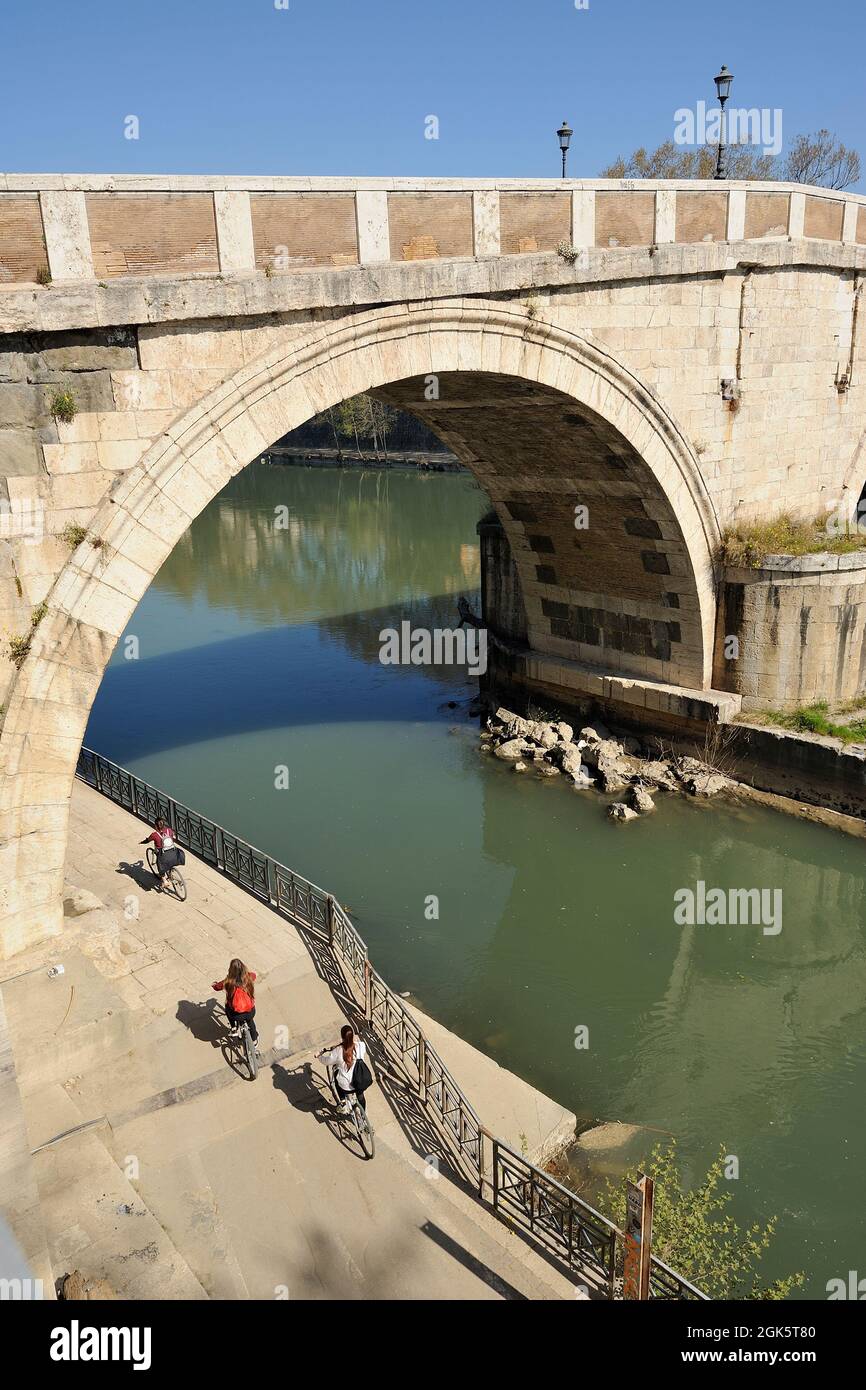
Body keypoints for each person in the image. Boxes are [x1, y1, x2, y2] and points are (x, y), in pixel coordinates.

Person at [317, 1024, 372, 1113]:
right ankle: (363, 1117)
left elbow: (326, 1061)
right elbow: (360, 1046)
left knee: (336, 1075)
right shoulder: (361, 1046)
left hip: (346, 1086)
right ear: (353, 1036)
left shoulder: (338, 1051)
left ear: (342, 1037)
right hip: (361, 1081)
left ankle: (343, 1102)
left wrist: (319, 1056)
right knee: (360, 1096)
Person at [212, 959, 259, 1050]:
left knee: (227, 1006)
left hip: (235, 1016)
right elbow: (254, 975)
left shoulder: (228, 981)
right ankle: (254, 1040)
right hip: (250, 1012)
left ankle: (233, 1028)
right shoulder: (249, 977)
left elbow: (217, 987)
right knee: (250, 1022)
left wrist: (214, 985)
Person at [141, 816, 179, 891]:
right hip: (173, 852)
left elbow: (147, 840)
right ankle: (172, 872)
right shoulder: (169, 830)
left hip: (164, 855)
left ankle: (165, 881)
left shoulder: (154, 835)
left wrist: (142, 842)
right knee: (169, 862)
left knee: (160, 864)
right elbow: (173, 837)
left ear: (155, 826)